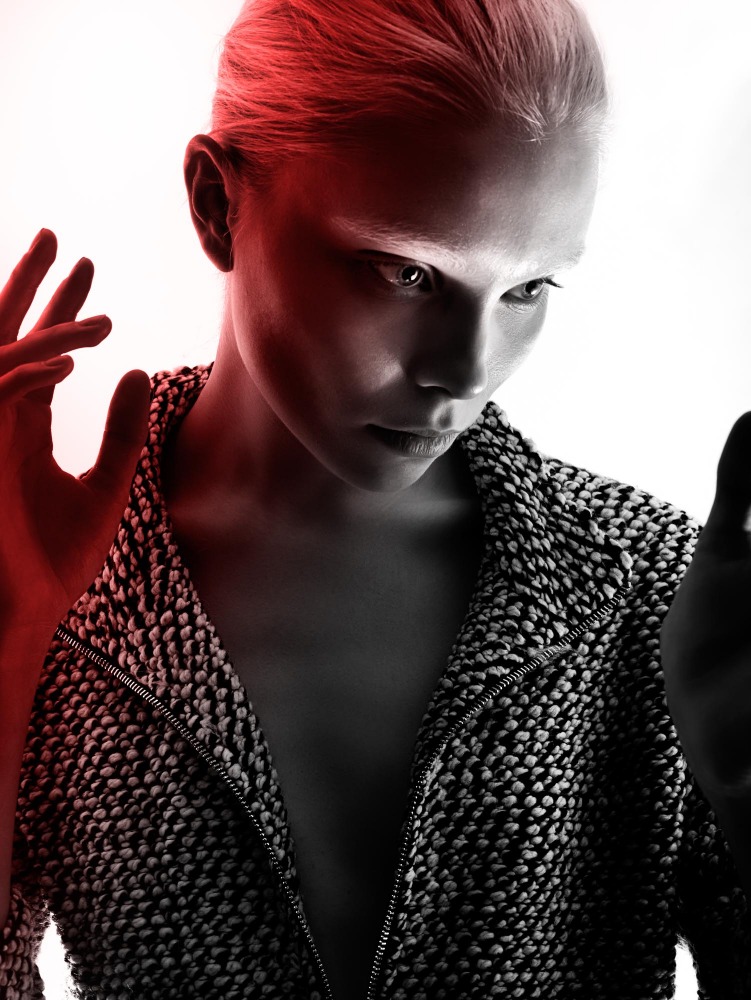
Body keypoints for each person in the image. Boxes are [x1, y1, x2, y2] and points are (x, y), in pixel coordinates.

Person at [0, 0, 750, 996]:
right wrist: (10, 640)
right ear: (217, 206)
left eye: (527, 289)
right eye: (404, 272)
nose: (466, 369)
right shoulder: (60, 581)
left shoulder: (652, 590)